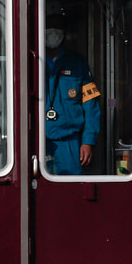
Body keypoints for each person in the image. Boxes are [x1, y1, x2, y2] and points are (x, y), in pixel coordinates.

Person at [44, 12, 101, 174]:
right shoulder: (32, 61)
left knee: (70, 187)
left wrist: (88, 141)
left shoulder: (78, 63)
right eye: (49, 26)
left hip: (69, 144)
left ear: (64, 32)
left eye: (57, 27)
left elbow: (91, 105)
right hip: (37, 141)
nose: (53, 31)